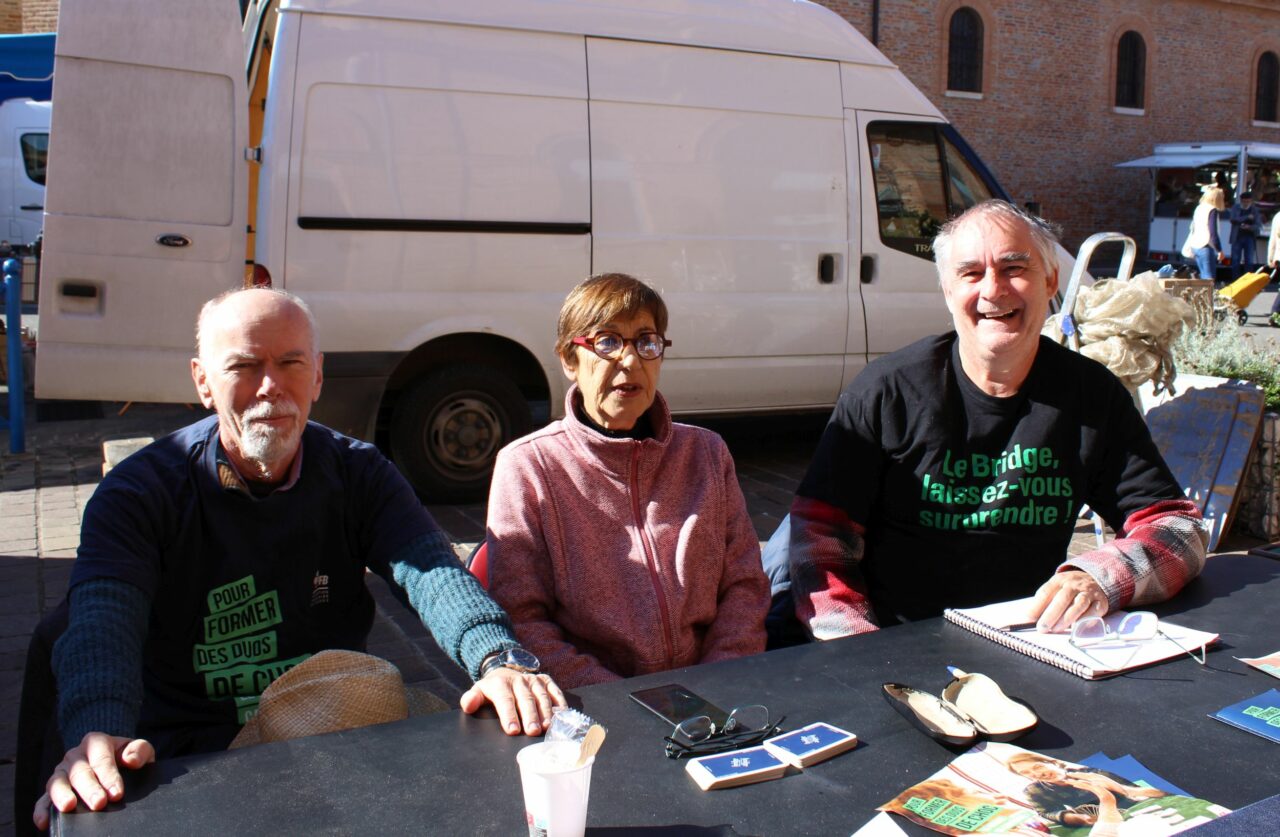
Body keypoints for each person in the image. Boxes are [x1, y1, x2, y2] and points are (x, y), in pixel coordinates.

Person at [34, 288, 564, 830]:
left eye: (290, 363)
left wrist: (497, 658)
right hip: (180, 760)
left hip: (330, 734)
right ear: (201, 381)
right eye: (244, 365)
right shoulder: (141, 492)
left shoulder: (359, 474)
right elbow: (102, 621)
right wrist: (97, 736)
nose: (270, 387)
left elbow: (432, 571)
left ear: (317, 375)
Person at [787, 200, 1207, 641]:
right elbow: (818, 539)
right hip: (897, 640)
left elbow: (1179, 528)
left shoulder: (1091, 394)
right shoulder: (887, 391)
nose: (993, 289)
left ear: (1050, 281)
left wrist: (1101, 577)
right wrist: (859, 649)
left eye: (1013, 268)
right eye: (971, 273)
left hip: (1033, 639)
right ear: (948, 292)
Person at [486, 273, 770, 688]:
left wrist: (720, 677)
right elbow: (521, 617)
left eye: (646, 342)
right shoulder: (529, 466)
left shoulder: (706, 453)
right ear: (569, 359)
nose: (631, 361)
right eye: (607, 342)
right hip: (600, 706)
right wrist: (622, 700)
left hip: (717, 686)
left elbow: (745, 584)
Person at [1180, 185, 1226, 281]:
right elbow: (1213, 232)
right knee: (1209, 279)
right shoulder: (1212, 210)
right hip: (1205, 246)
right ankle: (1207, 296)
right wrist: (1219, 250)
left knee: (1203, 278)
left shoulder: (1199, 208)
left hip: (1195, 245)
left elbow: (1193, 227)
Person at [1227, 191, 1261, 278]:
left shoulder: (1254, 210)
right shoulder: (1236, 208)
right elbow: (1232, 219)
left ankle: (1247, 280)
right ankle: (1235, 279)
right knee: (1235, 260)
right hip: (1237, 236)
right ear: (1241, 200)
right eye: (1244, 201)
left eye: (1247, 202)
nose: (1245, 203)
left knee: (1249, 261)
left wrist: (1248, 227)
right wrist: (1246, 217)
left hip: (1249, 237)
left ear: (1251, 201)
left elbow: (1258, 225)